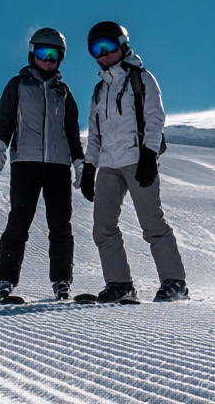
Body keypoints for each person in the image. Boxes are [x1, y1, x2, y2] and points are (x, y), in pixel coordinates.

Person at [77, 20, 189, 305]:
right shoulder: (99, 91)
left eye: (108, 45)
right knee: (103, 226)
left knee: (152, 222)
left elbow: (155, 118)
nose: (103, 53)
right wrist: (90, 167)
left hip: (138, 161)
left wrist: (149, 155)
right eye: (95, 48)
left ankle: (174, 282)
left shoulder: (142, 79)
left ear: (123, 44)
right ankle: (120, 284)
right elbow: (94, 133)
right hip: (108, 165)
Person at [0, 27, 85, 303]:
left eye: (55, 55)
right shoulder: (17, 85)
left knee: (61, 225)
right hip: (26, 163)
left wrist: (78, 160)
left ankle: (61, 282)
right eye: (43, 53)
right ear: (32, 54)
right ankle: (5, 281)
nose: (48, 59)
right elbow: (5, 118)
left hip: (57, 167)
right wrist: (0, 145)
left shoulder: (63, 92)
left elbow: (71, 129)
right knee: (19, 222)